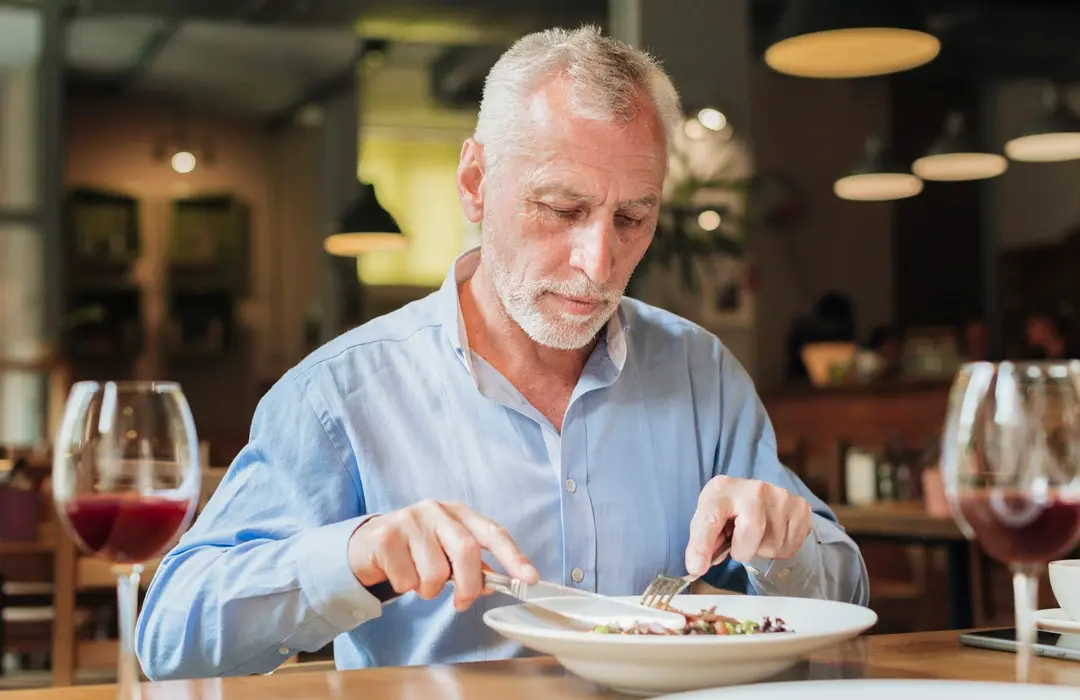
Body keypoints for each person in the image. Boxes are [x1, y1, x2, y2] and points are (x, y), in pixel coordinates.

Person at [135, 25, 869, 680]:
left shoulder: (699, 373)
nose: (598, 260)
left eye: (634, 217)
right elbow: (170, 632)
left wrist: (785, 547)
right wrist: (355, 554)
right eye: (562, 210)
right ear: (474, 183)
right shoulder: (342, 393)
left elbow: (846, 599)